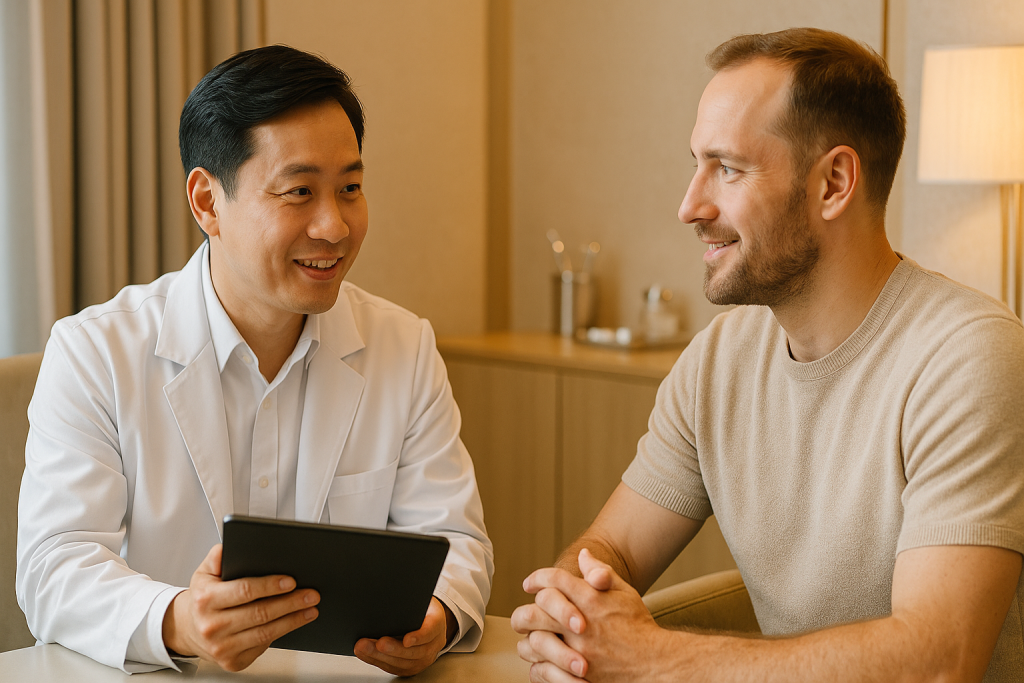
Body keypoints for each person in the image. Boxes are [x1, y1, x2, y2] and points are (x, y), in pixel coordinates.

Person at [512, 27, 1024, 682]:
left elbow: (939, 659)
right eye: (695, 163)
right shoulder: (716, 361)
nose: (689, 205)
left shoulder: (969, 356)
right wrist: (574, 613)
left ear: (834, 182)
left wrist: (652, 656)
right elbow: (610, 547)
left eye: (727, 168)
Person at [17, 45, 492, 676]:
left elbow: (455, 543)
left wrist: (437, 614)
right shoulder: (95, 352)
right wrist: (180, 620)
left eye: (350, 188)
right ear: (208, 202)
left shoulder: (404, 347)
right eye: (299, 192)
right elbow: (55, 565)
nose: (335, 226)